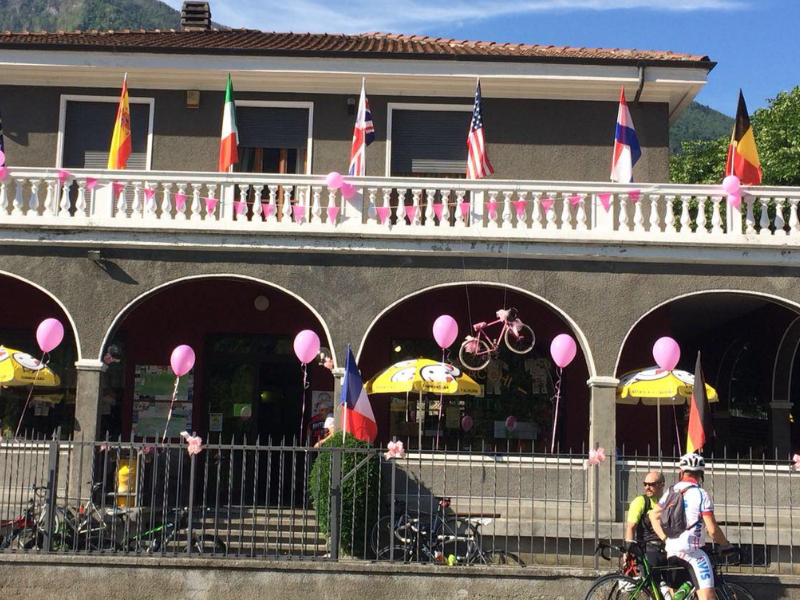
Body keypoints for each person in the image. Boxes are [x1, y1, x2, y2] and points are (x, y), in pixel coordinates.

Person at [650, 453, 734, 600]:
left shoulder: (671, 491)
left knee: (677, 597)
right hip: (693, 553)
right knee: (707, 597)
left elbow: (653, 515)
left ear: (681, 472)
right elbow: (712, 530)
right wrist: (726, 544)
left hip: (672, 551)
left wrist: (665, 539)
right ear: (701, 474)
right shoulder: (701, 494)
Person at [624, 470, 667, 587]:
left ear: (662, 485)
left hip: (666, 549)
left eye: (651, 484)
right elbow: (631, 527)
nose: (647, 487)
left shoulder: (666, 501)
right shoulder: (640, 501)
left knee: (672, 585)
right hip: (648, 549)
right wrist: (628, 550)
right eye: (645, 484)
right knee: (654, 586)